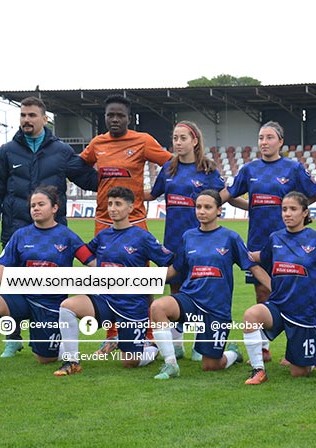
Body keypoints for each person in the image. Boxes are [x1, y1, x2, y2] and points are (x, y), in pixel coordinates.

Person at [0, 96, 98, 357]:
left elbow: (86, 178)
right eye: (23, 115)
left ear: (45, 119)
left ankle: (54, 333)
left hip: (54, 232)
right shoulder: (7, 151)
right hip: (16, 228)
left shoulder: (62, 151)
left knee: (52, 286)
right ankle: (12, 338)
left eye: (32, 115)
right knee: (12, 284)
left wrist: (112, 174)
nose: (26, 120)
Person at [221, 121, 316, 363]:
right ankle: (263, 348)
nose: (264, 142)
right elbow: (229, 196)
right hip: (258, 239)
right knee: (262, 292)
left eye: (269, 137)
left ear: (280, 141)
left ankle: (298, 348)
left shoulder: (293, 168)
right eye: (261, 137)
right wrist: (208, 202)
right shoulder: (249, 169)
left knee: (295, 294)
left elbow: (314, 192)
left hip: (291, 242)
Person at [144, 121, 247, 360]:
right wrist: (123, 190)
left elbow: (225, 196)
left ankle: (202, 344)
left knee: (203, 290)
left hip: (203, 241)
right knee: (176, 289)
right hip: (174, 238)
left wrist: (254, 206)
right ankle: (177, 344)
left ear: (195, 141)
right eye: (175, 138)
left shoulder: (208, 169)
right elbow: (152, 194)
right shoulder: (168, 168)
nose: (178, 143)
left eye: (183, 138)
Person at [80, 94, 172, 354]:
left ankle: (148, 334)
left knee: (142, 280)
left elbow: (170, 163)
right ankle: (111, 336)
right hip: (103, 220)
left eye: (120, 115)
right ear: (105, 117)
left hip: (135, 220)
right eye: (110, 115)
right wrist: (91, 183)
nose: (115, 119)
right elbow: (79, 166)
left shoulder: (142, 141)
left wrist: (156, 190)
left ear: (128, 118)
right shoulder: (97, 143)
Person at [149, 190, 270, 379]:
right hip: (190, 300)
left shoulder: (230, 237)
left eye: (207, 207)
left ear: (219, 210)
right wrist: (139, 280)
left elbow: (252, 266)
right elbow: (174, 270)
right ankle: (170, 365)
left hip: (216, 309)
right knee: (158, 307)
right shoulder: (188, 236)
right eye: (198, 207)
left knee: (211, 365)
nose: (202, 211)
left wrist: (275, 289)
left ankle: (233, 354)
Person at [53, 187, 174, 376]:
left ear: (130, 207)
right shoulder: (103, 236)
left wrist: (149, 283)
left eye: (118, 204)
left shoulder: (142, 237)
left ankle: (152, 348)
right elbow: (85, 253)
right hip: (105, 299)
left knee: (130, 362)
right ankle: (72, 361)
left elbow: (169, 262)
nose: (112, 208)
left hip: (132, 306)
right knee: (67, 307)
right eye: (110, 204)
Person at [0, 186, 95, 373]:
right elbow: (4, 263)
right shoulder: (21, 235)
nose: (35, 208)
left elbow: (92, 262)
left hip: (50, 304)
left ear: (54, 208)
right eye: (32, 205)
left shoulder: (67, 236)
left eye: (41, 204)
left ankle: (62, 344)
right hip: (22, 297)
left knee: (45, 358)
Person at [242, 191, 316, 384]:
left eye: (293, 209)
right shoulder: (275, 238)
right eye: (284, 209)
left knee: (299, 373)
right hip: (278, 305)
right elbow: (261, 258)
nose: (287, 214)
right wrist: (238, 253)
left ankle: (312, 357)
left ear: (305, 213)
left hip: (302, 312)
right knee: (251, 316)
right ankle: (258, 370)